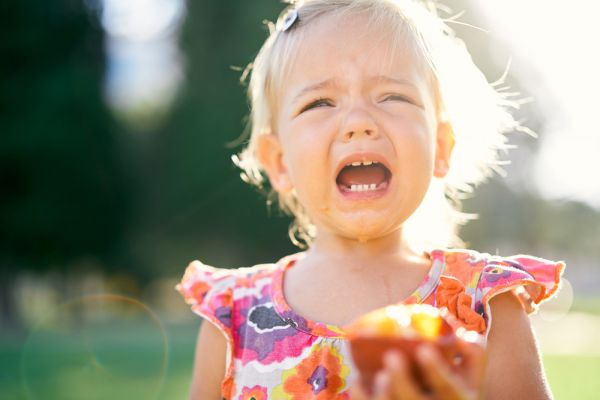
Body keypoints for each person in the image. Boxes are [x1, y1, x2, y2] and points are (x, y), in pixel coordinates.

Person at [176, 0, 565, 398]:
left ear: (441, 146)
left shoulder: (486, 304)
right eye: (319, 103)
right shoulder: (233, 317)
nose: (359, 122)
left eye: (392, 96)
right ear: (280, 162)